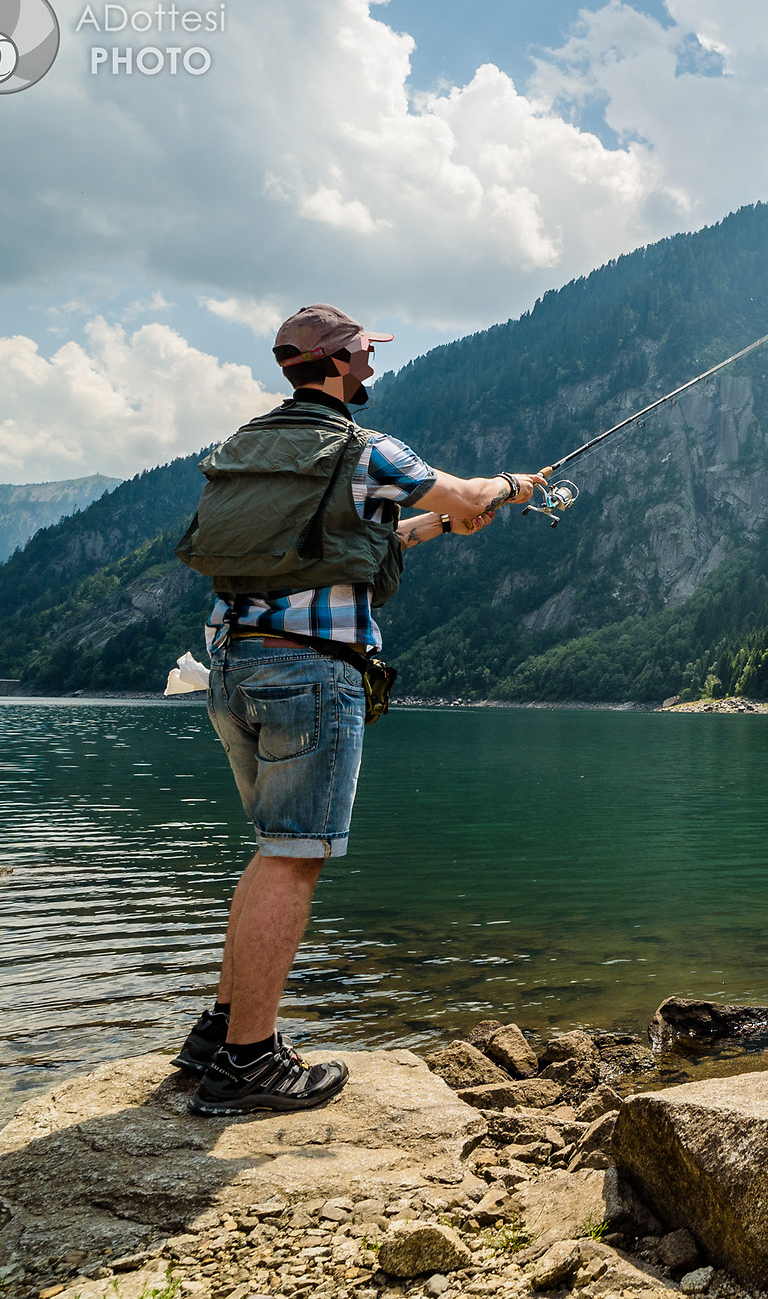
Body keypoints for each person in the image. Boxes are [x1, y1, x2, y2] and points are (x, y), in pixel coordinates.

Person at [169, 303, 545, 1115]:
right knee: (294, 858)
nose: (372, 365)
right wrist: (510, 489)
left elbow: (353, 540)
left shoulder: (252, 445)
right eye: (365, 353)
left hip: (231, 667)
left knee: (273, 849)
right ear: (338, 363)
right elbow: (472, 489)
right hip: (309, 675)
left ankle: (219, 1030)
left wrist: (439, 525)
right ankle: (248, 1064)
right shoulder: (366, 447)